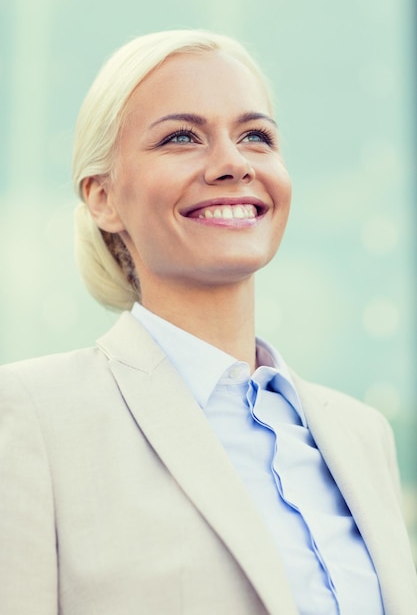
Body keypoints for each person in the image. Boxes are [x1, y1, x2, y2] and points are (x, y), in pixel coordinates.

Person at [0, 30, 416, 615]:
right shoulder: (28, 417)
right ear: (102, 198)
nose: (233, 163)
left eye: (255, 136)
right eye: (180, 137)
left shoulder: (362, 434)